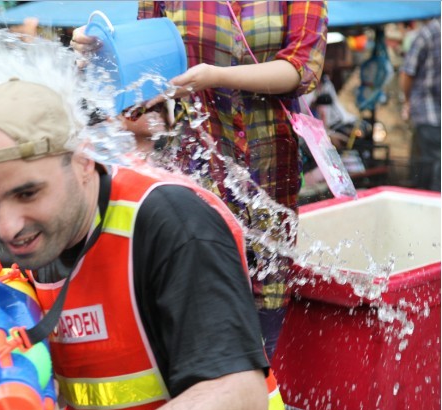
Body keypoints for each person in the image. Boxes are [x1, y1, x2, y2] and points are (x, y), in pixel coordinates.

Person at [0, 78, 312, 410]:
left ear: (83, 159)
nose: (8, 227)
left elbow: (239, 400)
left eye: (28, 194)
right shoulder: (40, 240)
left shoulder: (172, 223)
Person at [71, 2, 328, 359]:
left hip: (268, 171)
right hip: (192, 166)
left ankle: (257, 398)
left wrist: (217, 76)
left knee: (263, 315)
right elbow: (146, 71)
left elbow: (303, 69)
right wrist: (95, 55)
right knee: (191, 305)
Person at [400, 17, 441, 192]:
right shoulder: (428, 33)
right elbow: (407, 73)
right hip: (429, 113)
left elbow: (407, 73)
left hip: (428, 114)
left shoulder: (428, 33)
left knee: (432, 167)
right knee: (434, 165)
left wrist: (408, 101)